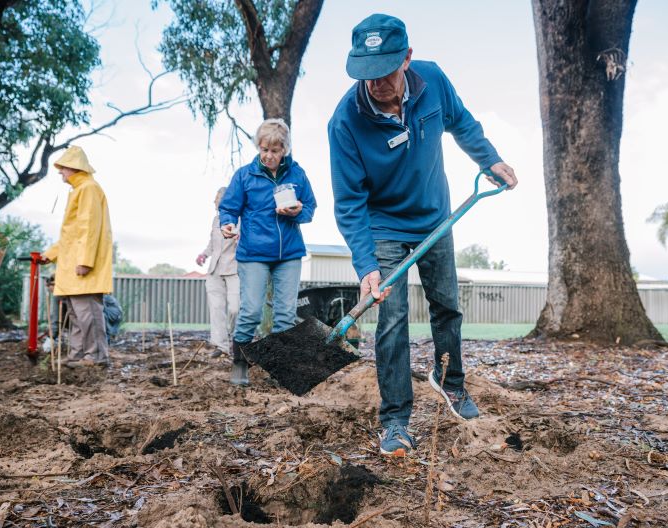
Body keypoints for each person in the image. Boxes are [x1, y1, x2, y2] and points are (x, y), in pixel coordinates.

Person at [328, 14, 519, 456]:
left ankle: (450, 382)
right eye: (365, 74)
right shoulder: (345, 122)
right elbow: (349, 203)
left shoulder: (432, 80)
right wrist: (367, 265)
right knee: (391, 319)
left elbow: (463, 123)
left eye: (384, 72)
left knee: (447, 304)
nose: (374, 83)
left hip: (435, 216)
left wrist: (489, 160)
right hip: (384, 225)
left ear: (407, 59)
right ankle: (395, 420)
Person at [220, 118, 316, 386]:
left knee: (285, 314)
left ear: (284, 149)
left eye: (274, 151)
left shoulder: (297, 174)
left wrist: (298, 212)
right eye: (264, 149)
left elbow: (309, 207)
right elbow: (229, 208)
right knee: (251, 310)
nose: (268, 156)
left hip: (289, 254)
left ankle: (279, 368)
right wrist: (227, 223)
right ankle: (240, 363)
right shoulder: (244, 175)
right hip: (253, 254)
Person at [41, 146, 113, 369]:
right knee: (75, 314)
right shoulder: (79, 190)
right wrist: (50, 255)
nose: (60, 172)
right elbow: (71, 233)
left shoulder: (88, 189)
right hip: (72, 264)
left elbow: (88, 227)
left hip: (81, 265)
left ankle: (95, 356)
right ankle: (78, 355)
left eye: (62, 167)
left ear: (73, 167)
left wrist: (85, 260)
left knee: (88, 313)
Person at [196, 186, 239, 358]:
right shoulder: (215, 220)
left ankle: (238, 341)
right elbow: (211, 244)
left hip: (234, 268)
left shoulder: (240, 218)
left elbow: (244, 241)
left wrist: (241, 240)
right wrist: (203, 254)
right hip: (214, 270)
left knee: (235, 308)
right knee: (216, 308)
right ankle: (221, 346)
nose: (214, 201)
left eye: (216, 197)